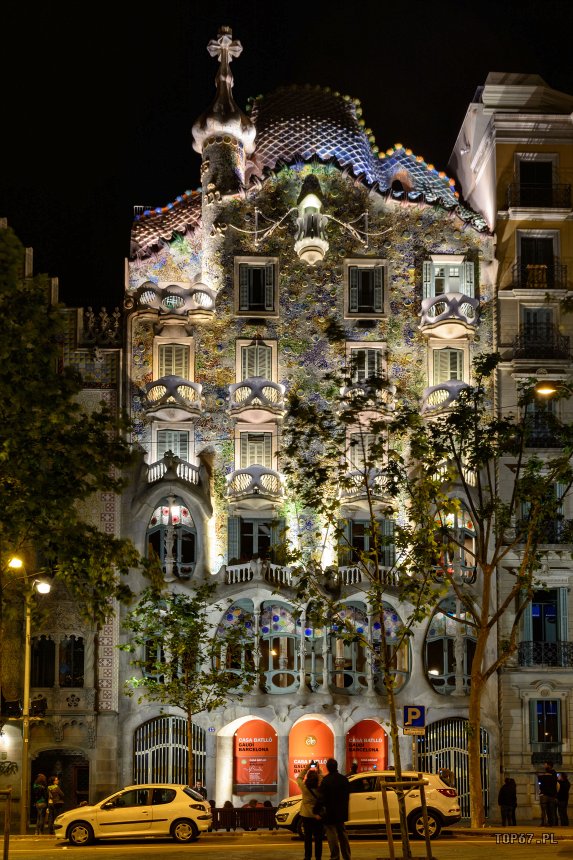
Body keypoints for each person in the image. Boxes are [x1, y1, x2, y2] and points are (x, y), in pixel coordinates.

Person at [315, 758, 351, 860]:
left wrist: (316, 811)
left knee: (332, 837)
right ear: (337, 766)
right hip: (341, 812)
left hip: (329, 813)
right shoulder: (344, 779)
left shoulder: (326, 781)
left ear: (328, 768)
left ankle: (335, 857)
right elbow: (347, 795)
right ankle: (347, 856)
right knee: (343, 835)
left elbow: (321, 798)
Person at [297, 762, 324, 860]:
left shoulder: (304, 788)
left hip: (306, 815)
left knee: (307, 838)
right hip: (318, 816)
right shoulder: (320, 787)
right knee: (318, 838)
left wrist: (307, 768)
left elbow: (299, 778)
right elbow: (322, 778)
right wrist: (319, 770)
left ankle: (307, 857)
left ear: (307, 778)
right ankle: (318, 857)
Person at [538, 761, 558, 826]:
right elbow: (540, 779)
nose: (544, 766)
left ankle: (551, 823)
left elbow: (541, 779)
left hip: (548, 795)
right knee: (546, 811)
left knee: (550, 811)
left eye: (545, 765)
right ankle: (545, 823)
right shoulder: (550, 774)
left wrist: (544, 776)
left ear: (549, 766)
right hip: (548, 795)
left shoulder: (553, 773)